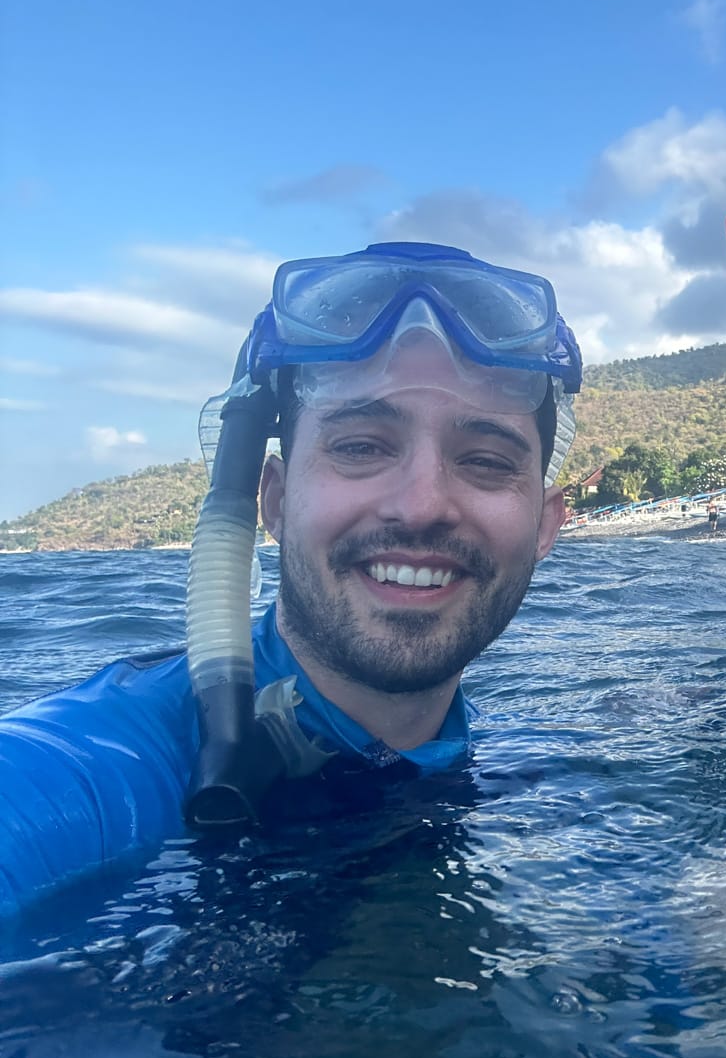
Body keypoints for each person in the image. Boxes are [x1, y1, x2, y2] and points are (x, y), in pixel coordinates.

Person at [0, 242, 582, 915]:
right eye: (361, 446)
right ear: (271, 499)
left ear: (546, 522)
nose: (422, 504)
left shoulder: (501, 752)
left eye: (483, 459)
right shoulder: (102, 771)